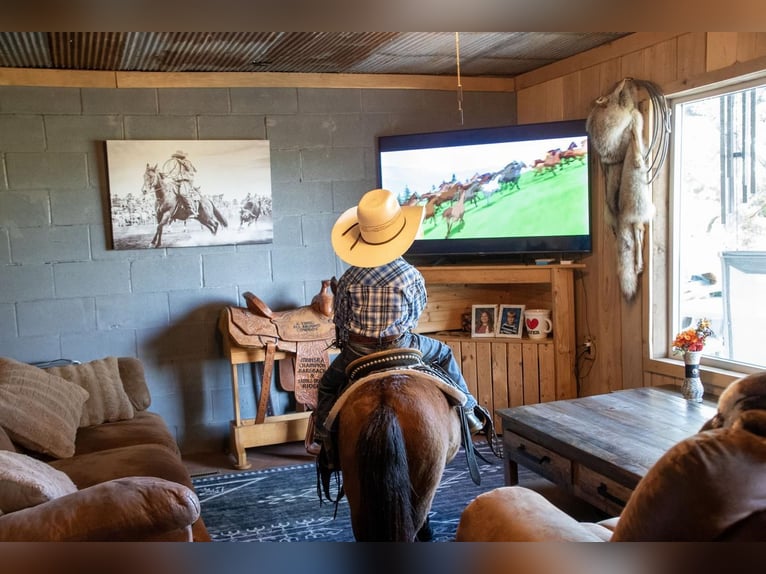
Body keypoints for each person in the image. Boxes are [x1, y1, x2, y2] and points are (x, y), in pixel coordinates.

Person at [308, 188, 488, 456]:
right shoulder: (410, 274)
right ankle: (470, 412)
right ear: (398, 235)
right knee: (444, 352)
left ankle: (323, 439)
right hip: (401, 345)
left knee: (327, 385)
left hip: (358, 351)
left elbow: (342, 319)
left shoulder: (348, 277)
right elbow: (415, 314)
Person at [164, 150, 200, 218]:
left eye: (177, 157)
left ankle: (190, 209)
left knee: (183, 193)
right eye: (175, 157)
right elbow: (173, 173)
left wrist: (182, 163)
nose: (176, 158)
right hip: (178, 181)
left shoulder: (187, 162)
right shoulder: (176, 165)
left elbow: (189, 168)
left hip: (186, 181)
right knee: (168, 187)